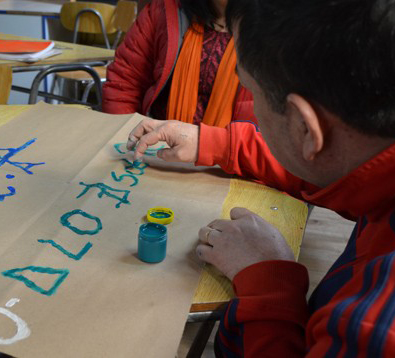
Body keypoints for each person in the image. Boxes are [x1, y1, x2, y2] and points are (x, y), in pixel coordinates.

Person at [127, 0, 395, 356]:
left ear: (304, 126)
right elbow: (335, 167)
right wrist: (214, 142)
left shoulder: (374, 330)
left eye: (252, 92)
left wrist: (269, 283)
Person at [102, 0, 254, 128]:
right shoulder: (165, 10)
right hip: (152, 149)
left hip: (231, 159)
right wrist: (125, 139)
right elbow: (125, 82)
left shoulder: (272, 32)